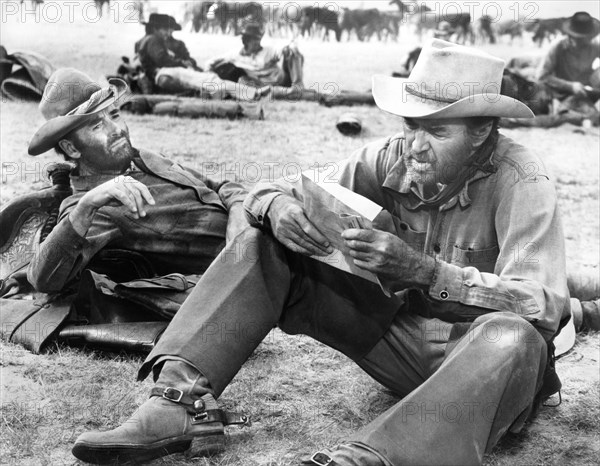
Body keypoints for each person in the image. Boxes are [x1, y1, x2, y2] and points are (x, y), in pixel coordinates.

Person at [72, 40, 571, 465]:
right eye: (410, 125)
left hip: (488, 371)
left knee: (513, 334)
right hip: (402, 347)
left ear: (482, 132)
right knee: (267, 238)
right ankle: (175, 403)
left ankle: (372, 458)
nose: (415, 146)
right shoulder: (390, 157)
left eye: (436, 132)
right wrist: (278, 207)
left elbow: (546, 307)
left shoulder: (522, 181)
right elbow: (270, 189)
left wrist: (424, 270)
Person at [26, 67, 249, 293]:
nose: (117, 130)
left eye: (114, 115)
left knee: (274, 195)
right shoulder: (94, 207)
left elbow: (220, 186)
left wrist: (239, 217)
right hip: (246, 271)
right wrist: (87, 205)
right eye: (96, 125)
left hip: (253, 230)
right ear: (72, 148)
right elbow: (42, 279)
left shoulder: (143, 158)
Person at [135, 13, 267, 100]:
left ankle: (249, 93)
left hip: (164, 73)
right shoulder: (153, 40)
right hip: (167, 72)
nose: (167, 33)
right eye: (165, 29)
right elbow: (162, 59)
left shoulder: (145, 40)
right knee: (211, 80)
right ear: (156, 29)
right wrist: (182, 63)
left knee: (210, 81)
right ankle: (251, 93)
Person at [207, 21, 305, 91]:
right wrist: (210, 75)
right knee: (243, 80)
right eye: (255, 40)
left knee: (293, 52)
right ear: (246, 41)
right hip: (261, 85)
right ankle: (272, 93)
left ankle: (297, 87)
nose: (258, 43)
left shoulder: (268, 51)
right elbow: (210, 63)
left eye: (259, 39)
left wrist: (287, 49)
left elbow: (280, 50)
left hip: (283, 81)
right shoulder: (234, 55)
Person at [537, 11, 600, 114]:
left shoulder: (594, 46)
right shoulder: (558, 47)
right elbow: (542, 76)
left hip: (586, 93)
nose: (585, 41)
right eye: (580, 38)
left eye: (588, 37)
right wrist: (570, 86)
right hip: (562, 93)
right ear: (571, 35)